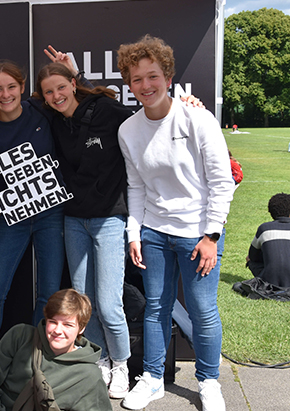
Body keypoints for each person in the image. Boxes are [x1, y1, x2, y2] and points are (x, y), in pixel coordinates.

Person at [116, 35, 235, 411]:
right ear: (128, 83)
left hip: (198, 234)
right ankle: (151, 379)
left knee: (203, 311)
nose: (145, 86)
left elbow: (221, 182)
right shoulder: (128, 130)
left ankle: (209, 381)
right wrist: (134, 233)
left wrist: (212, 235)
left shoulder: (198, 118)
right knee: (156, 307)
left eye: (152, 76)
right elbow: (135, 187)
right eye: (136, 79)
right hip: (153, 233)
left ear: (167, 76)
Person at [31, 60, 134, 399]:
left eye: (61, 87)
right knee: (83, 302)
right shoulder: (54, 121)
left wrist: (188, 107)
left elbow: (147, 116)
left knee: (108, 304)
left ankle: (121, 364)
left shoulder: (104, 109)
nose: (56, 95)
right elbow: (10, 108)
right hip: (73, 220)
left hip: (108, 219)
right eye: (49, 92)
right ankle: (99, 359)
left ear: (73, 84)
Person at [0, 61, 65, 353]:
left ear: (22, 88)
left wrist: (73, 71)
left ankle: (36, 355)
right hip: (13, 217)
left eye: (11, 87)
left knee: (49, 292)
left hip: (51, 213)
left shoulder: (41, 109)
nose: (5, 94)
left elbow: (76, 101)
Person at [246, 193, 290, 288]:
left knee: (250, 259)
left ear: (271, 212)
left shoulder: (264, 228)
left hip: (270, 282)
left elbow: (253, 256)